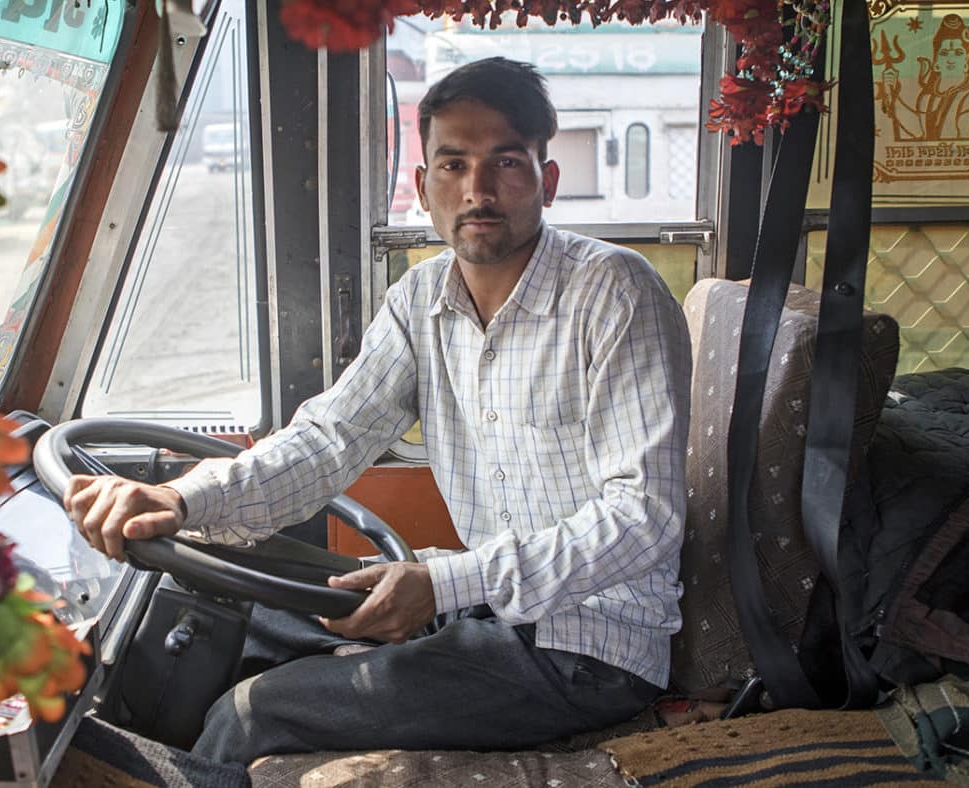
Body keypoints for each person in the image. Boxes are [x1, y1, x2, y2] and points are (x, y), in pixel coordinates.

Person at [66, 56, 691, 764]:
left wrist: (442, 584)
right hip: (477, 603)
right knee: (213, 621)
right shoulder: (421, 301)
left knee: (253, 713)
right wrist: (181, 499)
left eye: (506, 164)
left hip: (586, 647)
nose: (478, 191)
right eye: (453, 166)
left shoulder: (614, 294)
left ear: (547, 181)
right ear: (424, 189)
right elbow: (327, 441)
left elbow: (646, 517)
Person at [882, 13, 969, 141]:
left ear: (967, 61)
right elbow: (917, 130)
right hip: (928, 159)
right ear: (936, 62)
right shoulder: (928, 96)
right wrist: (891, 94)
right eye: (944, 53)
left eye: (958, 53)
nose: (951, 59)